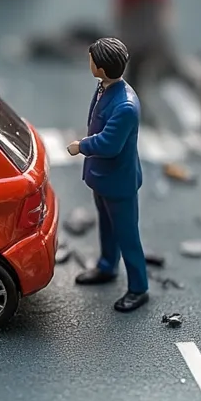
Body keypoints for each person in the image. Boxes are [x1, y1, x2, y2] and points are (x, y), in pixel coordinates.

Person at [66, 37, 149, 313]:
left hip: (118, 180)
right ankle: (106, 266)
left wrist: (81, 146)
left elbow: (110, 145)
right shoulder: (104, 87)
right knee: (106, 225)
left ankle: (138, 287)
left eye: (91, 59)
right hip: (102, 176)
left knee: (127, 235)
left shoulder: (125, 106)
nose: (88, 62)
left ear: (100, 67)